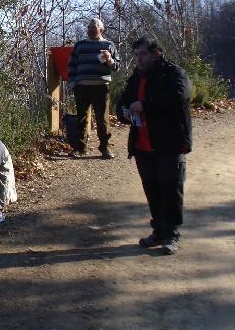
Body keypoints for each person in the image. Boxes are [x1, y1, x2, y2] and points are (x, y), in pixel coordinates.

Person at [115, 37, 192, 255]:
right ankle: (158, 231)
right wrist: (124, 113)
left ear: (156, 54)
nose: (138, 58)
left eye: (143, 54)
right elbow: (122, 103)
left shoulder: (175, 74)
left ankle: (171, 235)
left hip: (170, 143)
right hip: (142, 145)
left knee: (171, 190)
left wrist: (145, 105)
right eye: (136, 54)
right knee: (153, 190)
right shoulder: (135, 78)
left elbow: (179, 96)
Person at [67, 17, 120, 159]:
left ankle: (105, 148)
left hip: (101, 87)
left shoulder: (109, 45)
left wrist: (109, 60)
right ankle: (80, 148)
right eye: (89, 27)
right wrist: (72, 83)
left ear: (101, 30)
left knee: (102, 119)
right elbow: (72, 65)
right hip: (82, 87)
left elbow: (117, 67)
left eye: (93, 27)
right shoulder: (80, 45)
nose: (90, 30)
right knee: (81, 118)